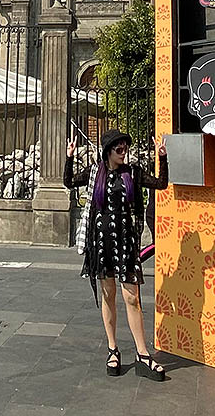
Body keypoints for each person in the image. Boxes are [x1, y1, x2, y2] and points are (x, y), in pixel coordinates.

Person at [65, 128, 168, 380]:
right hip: (101, 244)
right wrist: (69, 157)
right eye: (119, 149)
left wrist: (162, 158)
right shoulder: (95, 173)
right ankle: (113, 349)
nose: (124, 153)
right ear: (108, 152)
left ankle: (142, 354)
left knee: (131, 297)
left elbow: (161, 184)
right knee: (108, 295)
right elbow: (69, 182)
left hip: (125, 242)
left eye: (126, 149)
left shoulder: (132, 172)